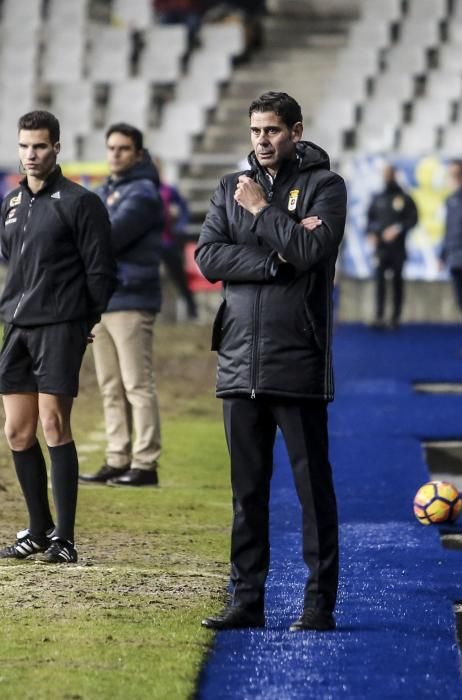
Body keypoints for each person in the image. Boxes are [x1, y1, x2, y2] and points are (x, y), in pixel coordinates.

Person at [195, 91, 347, 632]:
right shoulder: (227, 188)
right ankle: (247, 600)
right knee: (247, 493)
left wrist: (261, 213)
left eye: (274, 131)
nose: (263, 140)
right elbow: (208, 257)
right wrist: (275, 258)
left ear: (296, 132)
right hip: (238, 360)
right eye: (257, 131)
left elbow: (312, 254)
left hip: (298, 360)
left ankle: (318, 603)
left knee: (312, 490)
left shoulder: (326, 188)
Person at [0, 110, 116, 564]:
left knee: (53, 425)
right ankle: (38, 528)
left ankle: (64, 539)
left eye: (40, 146)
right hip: (17, 326)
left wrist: (83, 322)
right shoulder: (10, 202)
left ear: (57, 148)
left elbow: (102, 272)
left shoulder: (80, 202)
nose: (31, 154)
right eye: (25, 145)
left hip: (61, 326)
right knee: (16, 431)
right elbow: (15, 263)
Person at [79, 123, 164, 487]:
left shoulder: (143, 193)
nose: (115, 154)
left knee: (136, 384)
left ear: (138, 154)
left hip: (131, 297)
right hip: (104, 299)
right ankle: (117, 457)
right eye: (111, 148)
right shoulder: (106, 191)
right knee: (111, 384)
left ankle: (145, 463)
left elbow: (106, 237)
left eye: (124, 149)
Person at [366, 164, 418, 330]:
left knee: (397, 282)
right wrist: (371, 233)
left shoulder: (404, 198)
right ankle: (379, 317)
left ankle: (395, 318)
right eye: (385, 174)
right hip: (381, 249)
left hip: (398, 249)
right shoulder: (378, 197)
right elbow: (369, 220)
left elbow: (413, 219)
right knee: (380, 282)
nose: (387, 177)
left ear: (395, 175)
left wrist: (398, 228)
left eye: (390, 174)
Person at [159, 177, 198, 319]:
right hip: (148, 245)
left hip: (168, 242)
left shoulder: (167, 189)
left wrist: (181, 225)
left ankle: (192, 309)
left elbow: (183, 206)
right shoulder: (138, 189)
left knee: (180, 278)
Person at [440, 159, 462, 320]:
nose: (453, 178)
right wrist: (442, 255)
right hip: (455, 257)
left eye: (456, 174)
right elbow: (449, 229)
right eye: (451, 175)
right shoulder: (450, 201)